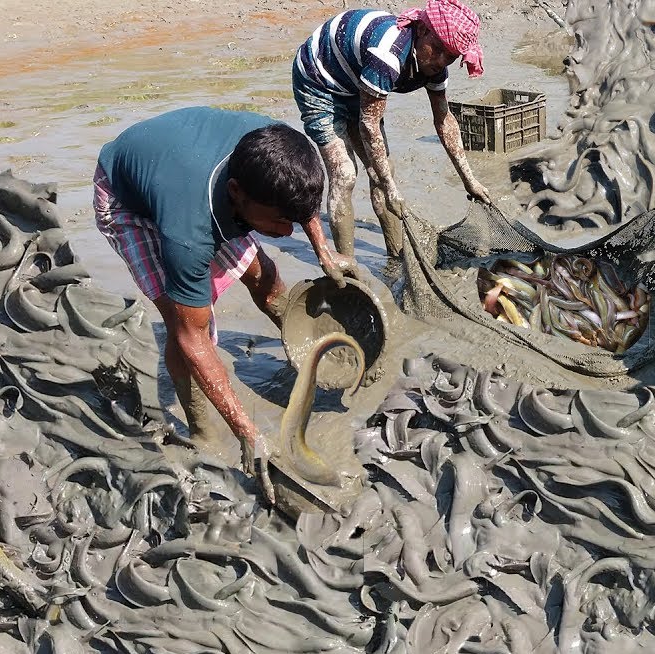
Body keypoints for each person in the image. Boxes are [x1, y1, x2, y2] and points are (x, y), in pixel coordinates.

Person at [93, 106, 353, 501]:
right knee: (184, 321)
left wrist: (324, 252)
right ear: (237, 195)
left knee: (264, 275)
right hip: (127, 199)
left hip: (185, 167)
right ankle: (201, 429)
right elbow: (192, 340)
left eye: (293, 221)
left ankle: (305, 350)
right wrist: (247, 432)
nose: (286, 233)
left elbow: (300, 201)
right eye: (280, 223)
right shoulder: (188, 235)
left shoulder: (275, 147)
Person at [292, 0, 492, 261]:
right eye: (439, 50)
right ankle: (347, 265)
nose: (442, 61)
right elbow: (369, 124)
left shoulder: (435, 67)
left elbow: (444, 120)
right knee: (344, 174)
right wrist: (391, 188)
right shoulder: (387, 54)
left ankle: (395, 257)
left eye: (451, 57)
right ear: (421, 31)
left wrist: (470, 180)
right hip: (319, 79)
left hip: (358, 82)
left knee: (383, 170)